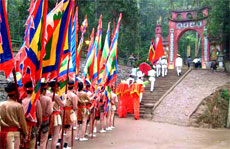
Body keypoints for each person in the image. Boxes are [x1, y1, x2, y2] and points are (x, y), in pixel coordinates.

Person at [0, 82, 28, 149]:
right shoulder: (18, 106)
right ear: (16, 94)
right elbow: (22, 123)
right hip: (14, 134)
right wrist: (26, 134)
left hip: (2, 133)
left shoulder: (0, 105)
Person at [21, 81, 42, 149]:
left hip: (23, 126)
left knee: (23, 145)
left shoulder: (22, 101)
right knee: (31, 145)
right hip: (32, 126)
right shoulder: (36, 101)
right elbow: (39, 116)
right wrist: (39, 125)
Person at [47, 81, 65, 149]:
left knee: (47, 135)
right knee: (55, 135)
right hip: (55, 116)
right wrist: (65, 99)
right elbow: (63, 105)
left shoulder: (47, 94)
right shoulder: (55, 95)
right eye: (58, 86)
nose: (59, 88)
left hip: (48, 115)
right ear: (56, 87)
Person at [62, 80, 78, 148]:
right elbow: (75, 106)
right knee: (69, 129)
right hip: (69, 112)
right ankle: (65, 145)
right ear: (73, 86)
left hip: (63, 111)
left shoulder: (63, 93)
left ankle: (59, 141)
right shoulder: (73, 96)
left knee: (61, 128)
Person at [39, 81, 53, 149]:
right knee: (43, 140)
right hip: (45, 120)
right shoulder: (48, 99)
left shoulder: (35, 99)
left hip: (36, 121)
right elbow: (49, 112)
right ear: (44, 90)